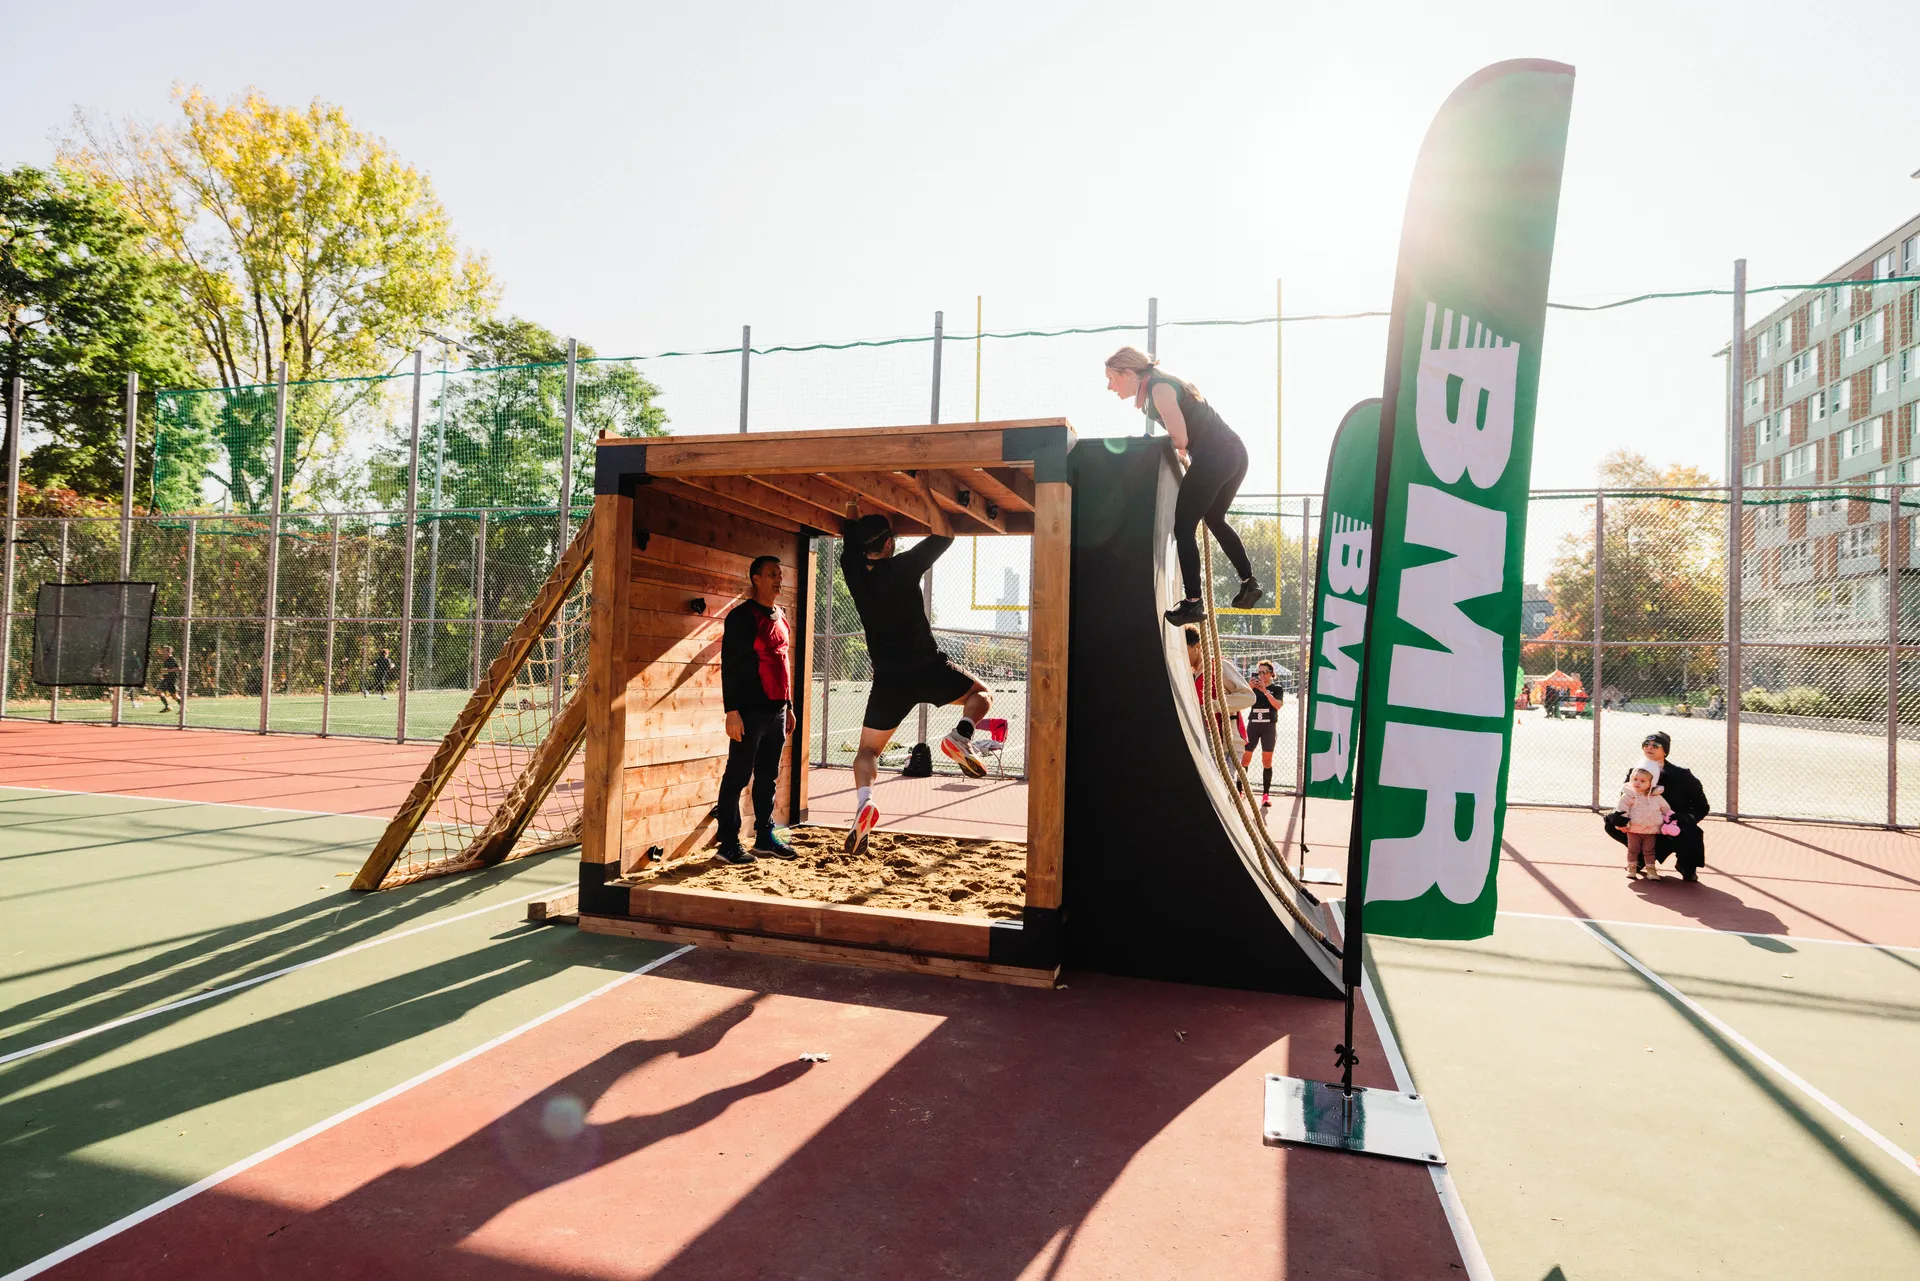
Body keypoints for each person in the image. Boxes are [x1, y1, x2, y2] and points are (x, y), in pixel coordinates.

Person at [840, 476, 993, 856]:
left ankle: (864, 803)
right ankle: (960, 735)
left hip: (888, 679)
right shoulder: (904, 566)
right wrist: (924, 490)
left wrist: (853, 504)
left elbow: (849, 535)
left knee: (868, 753)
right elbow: (945, 534)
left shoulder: (852, 569)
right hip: (928, 667)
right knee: (983, 695)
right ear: (890, 544)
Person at [1103, 347, 1263, 627]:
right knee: (1214, 518)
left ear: (1128, 373)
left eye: (1111, 378)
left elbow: (1178, 438)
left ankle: (1193, 603)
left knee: (1183, 527)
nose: (1109, 387)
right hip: (1233, 454)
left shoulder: (1159, 388)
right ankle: (1249, 581)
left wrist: (1148, 442)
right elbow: (1186, 438)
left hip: (1218, 456)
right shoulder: (1158, 386)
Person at [712, 555, 799, 865]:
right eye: (772, 574)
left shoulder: (782, 615)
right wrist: (732, 710)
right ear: (756, 579)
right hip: (748, 712)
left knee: (768, 777)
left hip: (776, 711)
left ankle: (764, 838)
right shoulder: (741, 617)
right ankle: (729, 844)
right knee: (737, 776)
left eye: (781, 573)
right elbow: (730, 667)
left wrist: (788, 707)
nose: (779, 578)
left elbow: (783, 665)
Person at [1602, 731, 1710, 880]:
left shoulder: (1682, 775)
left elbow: (1702, 806)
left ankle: (1686, 864)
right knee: (1610, 822)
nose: (1649, 747)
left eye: (1655, 745)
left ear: (1665, 750)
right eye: (1646, 744)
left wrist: (1686, 818)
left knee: (1691, 832)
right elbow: (1625, 799)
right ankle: (1639, 856)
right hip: (1641, 823)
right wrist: (1617, 814)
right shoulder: (1634, 773)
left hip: (1670, 824)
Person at [1612, 768, 1673, 880]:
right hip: (1633, 830)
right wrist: (1622, 824)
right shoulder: (1628, 796)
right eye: (1635, 779)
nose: (1637, 783)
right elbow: (1622, 810)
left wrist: (1672, 820)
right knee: (1633, 849)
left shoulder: (1657, 797)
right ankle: (1631, 868)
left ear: (1651, 783)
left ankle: (1651, 870)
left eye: (1642, 781)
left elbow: (1666, 809)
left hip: (1650, 830)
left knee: (1649, 851)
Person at [1241, 660, 1284, 809]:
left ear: (1272, 673)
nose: (1262, 675)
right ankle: (1241, 791)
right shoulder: (1252, 688)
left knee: (1267, 760)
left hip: (1268, 727)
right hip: (1253, 726)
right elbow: (1242, 702)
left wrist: (1265, 691)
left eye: (1265, 672)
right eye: (1259, 672)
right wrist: (1250, 687)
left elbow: (1277, 705)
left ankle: (1266, 795)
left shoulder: (1276, 688)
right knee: (1245, 758)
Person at [152, 645, 180, 713]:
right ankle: (168, 706)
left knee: (174, 696)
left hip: (172, 679)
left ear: (168, 652)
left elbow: (179, 668)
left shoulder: (172, 659)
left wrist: (167, 670)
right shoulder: (166, 660)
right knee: (159, 691)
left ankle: (184, 708)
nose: (163, 652)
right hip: (166, 679)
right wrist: (163, 674)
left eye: (164, 651)